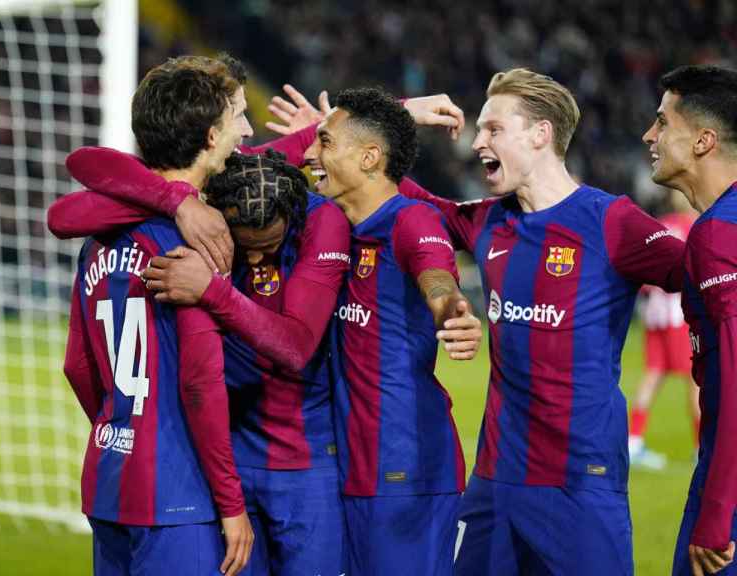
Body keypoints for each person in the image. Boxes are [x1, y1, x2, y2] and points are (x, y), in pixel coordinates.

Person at [264, 70, 686, 574]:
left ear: (540, 134)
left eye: (492, 129)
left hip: (581, 482)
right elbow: (391, 194)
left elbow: (704, 274)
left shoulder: (611, 221)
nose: (476, 142)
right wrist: (337, 141)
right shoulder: (487, 220)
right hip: (494, 483)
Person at [54, 145, 352, 574]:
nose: (253, 260)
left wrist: (211, 289)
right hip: (222, 460)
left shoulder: (319, 218)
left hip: (303, 466)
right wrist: (176, 199)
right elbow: (65, 211)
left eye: (268, 247)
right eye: (245, 247)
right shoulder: (203, 213)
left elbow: (296, 347)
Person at [61, 54, 253, 576]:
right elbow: (199, 381)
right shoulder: (194, 244)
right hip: (176, 490)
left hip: (110, 475)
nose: (248, 131)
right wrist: (232, 504)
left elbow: (77, 366)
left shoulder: (99, 238)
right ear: (211, 137)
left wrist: (119, 422)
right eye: (238, 117)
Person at [301, 86, 480, 575]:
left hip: (405, 467)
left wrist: (452, 313)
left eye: (323, 141)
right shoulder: (331, 225)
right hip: (351, 466)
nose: (308, 153)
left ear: (369, 157)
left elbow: (436, 273)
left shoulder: (410, 218)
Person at [641, 63, 737, 576]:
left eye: (662, 122)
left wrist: (718, 511)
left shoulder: (717, 235)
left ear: (703, 141)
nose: (648, 135)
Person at [628, 189, 701, 471]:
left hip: (654, 312)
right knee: (697, 380)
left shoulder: (660, 225)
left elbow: (646, 275)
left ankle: (633, 441)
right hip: (679, 313)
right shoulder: (693, 227)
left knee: (653, 374)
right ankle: (701, 448)